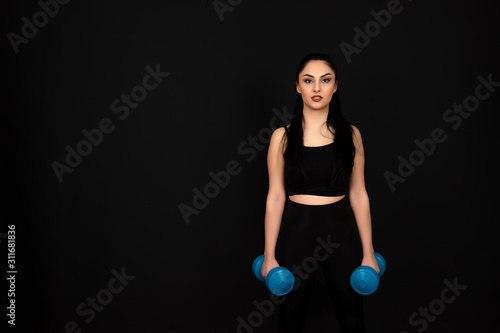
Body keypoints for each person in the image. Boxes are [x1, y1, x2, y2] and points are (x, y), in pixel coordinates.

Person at [262, 53, 380, 333]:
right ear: (297, 86)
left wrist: (369, 252)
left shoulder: (351, 135)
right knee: (289, 319)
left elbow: (359, 194)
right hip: (296, 233)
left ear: (335, 86)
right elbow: (275, 197)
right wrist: (268, 254)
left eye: (325, 80)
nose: (316, 88)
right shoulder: (282, 137)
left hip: (341, 233)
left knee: (353, 318)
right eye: (308, 80)